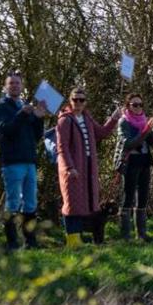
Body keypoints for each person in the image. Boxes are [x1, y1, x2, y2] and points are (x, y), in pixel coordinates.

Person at [56, 88, 122, 248]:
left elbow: (102, 133)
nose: (78, 103)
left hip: (88, 169)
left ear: (85, 102)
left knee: (85, 203)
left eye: (81, 100)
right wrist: (69, 167)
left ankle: (80, 240)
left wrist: (113, 119)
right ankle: (72, 241)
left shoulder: (87, 118)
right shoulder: (64, 120)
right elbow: (62, 147)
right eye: (75, 100)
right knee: (71, 204)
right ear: (70, 101)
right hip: (72, 169)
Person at [0, 71, 50, 250]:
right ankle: (12, 243)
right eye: (11, 83)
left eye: (17, 83)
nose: (15, 86)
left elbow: (36, 136)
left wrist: (39, 119)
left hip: (30, 161)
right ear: (5, 87)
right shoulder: (1, 107)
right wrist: (22, 114)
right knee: (13, 203)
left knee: (30, 203)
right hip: (12, 162)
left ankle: (30, 242)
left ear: (22, 86)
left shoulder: (26, 105)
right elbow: (7, 130)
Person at [113, 92, 153, 241]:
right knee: (128, 197)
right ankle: (126, 235)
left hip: (145, 161)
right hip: (130, 162)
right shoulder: (124, 122)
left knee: (143, 198)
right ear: (128, 106)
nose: (138, 107)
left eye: (140, 104)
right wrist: (145, 132)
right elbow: (128, 144)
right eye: (134, 104)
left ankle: (141, 234)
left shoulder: (145, 120)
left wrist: (150, 131)